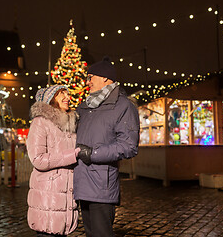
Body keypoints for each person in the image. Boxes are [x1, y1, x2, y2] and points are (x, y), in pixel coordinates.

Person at [74, 56, 140, 237]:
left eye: (90, 77)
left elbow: (129, 146)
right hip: (82, 183)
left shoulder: (123, 106)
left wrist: (93, 153)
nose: (87, 82)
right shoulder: (85, 106)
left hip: (101, 185)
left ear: (105, 78)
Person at [26, 85, 81, 236]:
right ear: (51, 99)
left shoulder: (72, 124)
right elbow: (38, 159)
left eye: (68, 94)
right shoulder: (40, 122)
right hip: (47, 198)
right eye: (61, 94)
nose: (67, 97)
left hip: (66, 197)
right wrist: (72, 155)